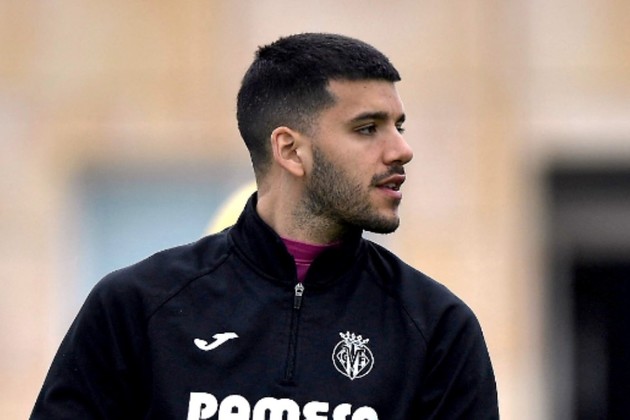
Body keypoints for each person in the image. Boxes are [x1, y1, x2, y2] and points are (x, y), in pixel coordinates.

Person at [31, 33, 499, 419]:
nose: (401, 150)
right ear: (290, 150)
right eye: (367, 128)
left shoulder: (437, 327)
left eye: (399, 126)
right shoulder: (136, 306)